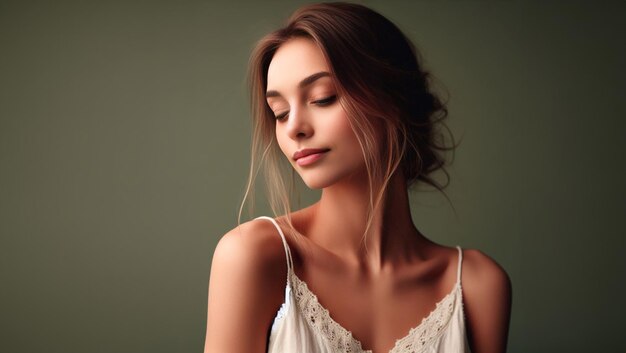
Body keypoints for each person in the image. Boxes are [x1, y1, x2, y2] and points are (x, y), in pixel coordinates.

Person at [203, 2, 511, 353]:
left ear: (393, 99)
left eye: (323, 98)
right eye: (280, 112)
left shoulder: (477, 285)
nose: (294, 129)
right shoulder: (255, 257)